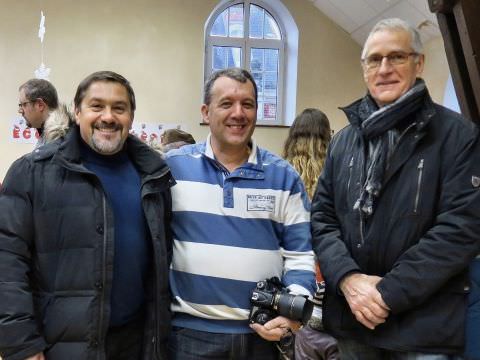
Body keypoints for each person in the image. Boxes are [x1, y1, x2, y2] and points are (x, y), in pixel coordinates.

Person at [311, 18, 480, 359]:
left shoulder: (457, 136)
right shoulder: (343, 141)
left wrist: (386, 294)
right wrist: (348, 280)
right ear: (364, 69)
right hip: (353, 323)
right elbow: (323, 218)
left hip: (423, 328)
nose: (384, 68)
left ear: (419, 63)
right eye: (375, 59)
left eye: (396, 57)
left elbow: (460, 229)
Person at [0, 71, 174, 360]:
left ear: (131, 116)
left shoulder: (153, 177)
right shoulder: (32, 172)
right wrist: (22, 345)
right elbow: (7, 263)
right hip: (60, 347)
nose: (108, 116)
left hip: (134, 343)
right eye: (96, 106)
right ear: (77, 112)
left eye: (119, 108)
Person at [165, 67, 316, 359]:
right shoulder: (173, 169)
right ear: (206, 112)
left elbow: (300, 255)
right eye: (227, 103)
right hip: (190, 337)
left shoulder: (284, 177)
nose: (239, 113)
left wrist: (292, 313)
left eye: (247, 104)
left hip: (262, 335)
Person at [282, 108, 338, 359]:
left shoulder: (281, 174)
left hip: (293, 282)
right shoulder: (337, 174)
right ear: (328, 136)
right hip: (330, 279)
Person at [18, 78, 66, 147]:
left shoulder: (61, 143)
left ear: (40, 105)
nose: (20, 111)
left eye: (24, 104)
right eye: (20, 105)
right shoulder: (48, 136)